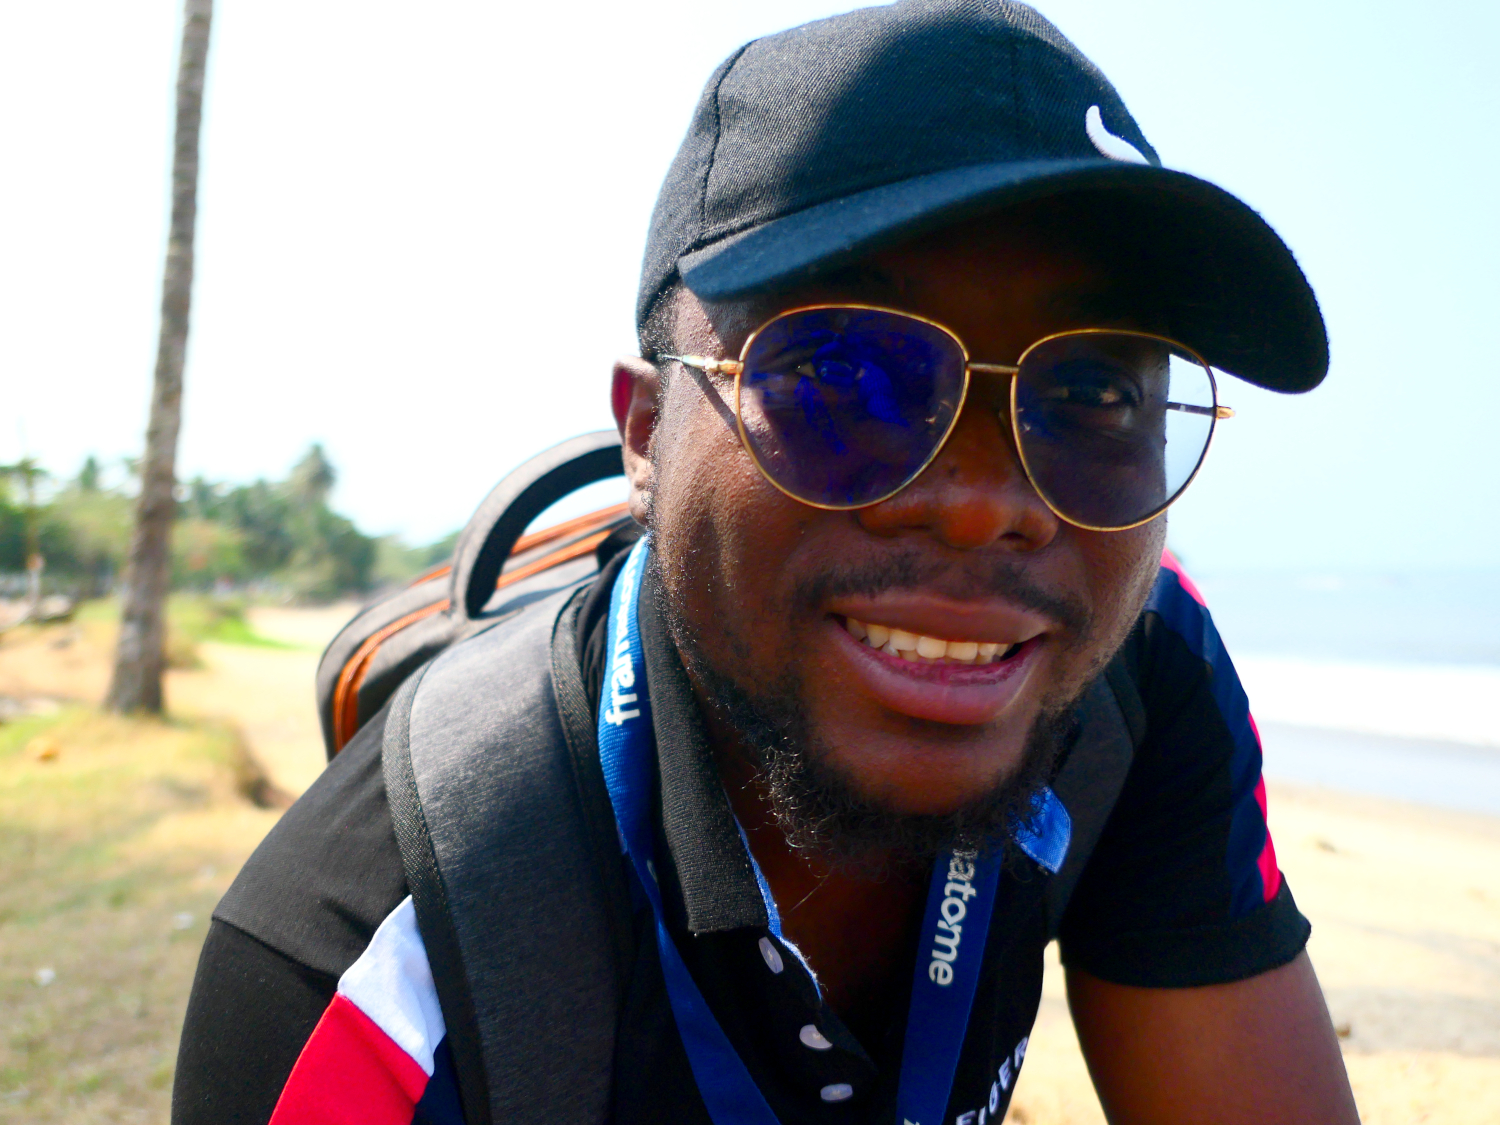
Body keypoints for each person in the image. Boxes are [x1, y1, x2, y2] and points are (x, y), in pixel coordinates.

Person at [173, 2, 1361, 1123]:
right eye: (844, 375)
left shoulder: (1136, 677)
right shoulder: (379, 977)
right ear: (647, 432)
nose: (986, 506)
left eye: (1093, 391)